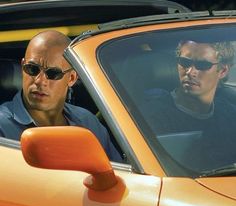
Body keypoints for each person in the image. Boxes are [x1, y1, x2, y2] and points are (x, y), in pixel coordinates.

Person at [0, 30, 122, 162]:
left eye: (53, 73)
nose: (40, 81)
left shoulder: (88, 122)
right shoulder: (2, 128)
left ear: (72, 78)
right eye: (32, 69)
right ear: (22, 66)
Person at [141, 40, 236, 172]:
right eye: (184, 63)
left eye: (202, 65)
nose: (190, 72)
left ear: (223, 71)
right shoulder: (153, 116)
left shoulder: (230, 114)